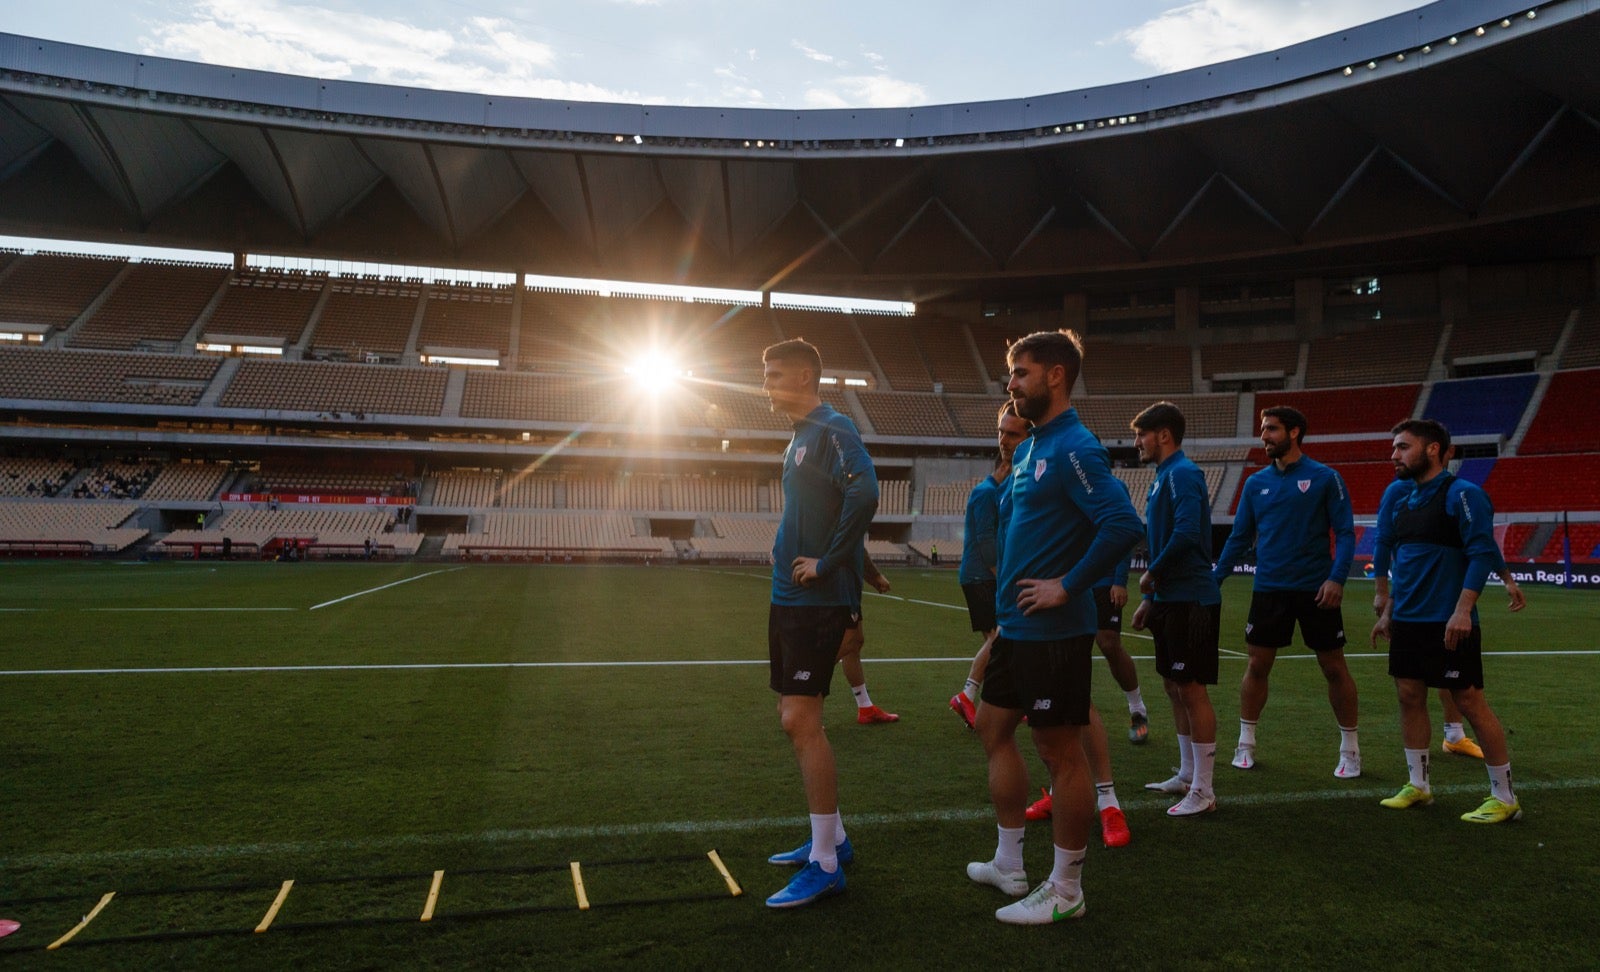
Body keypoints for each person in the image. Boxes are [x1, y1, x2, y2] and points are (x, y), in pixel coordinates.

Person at [966, 329, 1143, 925]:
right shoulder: (1035, 445)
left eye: (1020, 372)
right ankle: (1010, 862)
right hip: (1017, 628)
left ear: (1055, 376)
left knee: (1059, 752)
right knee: (992, 729)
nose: (1011, 384)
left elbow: (1122, 524)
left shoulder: (1073, 446)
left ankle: (1066, 889)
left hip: (1054, 630)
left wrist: (1068, 585)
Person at [759, 338, 880, 907]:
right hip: (789, 596)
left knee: (799, 719)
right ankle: (832, 838)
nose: (766, 385)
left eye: (776, 374)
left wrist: (829, 562)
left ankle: (826, 863)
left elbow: (866, 493)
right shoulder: (801, 435)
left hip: (815, 600)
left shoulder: (834, 428)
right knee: (795, 717)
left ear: (807, 376)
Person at [1370, 419, 1523, 823]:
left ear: (1433, 449)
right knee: (1408, 695)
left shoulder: (1464, 495)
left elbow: (1480, 552)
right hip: (1408, 619)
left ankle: (1505, 797)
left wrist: (1462, 609)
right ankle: (1418, 786)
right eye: (1394, 447)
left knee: (1469, 700)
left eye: (1403, 447)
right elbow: (1406, 564)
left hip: (1448, 620)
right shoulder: (1404, 499)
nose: (1395, 455)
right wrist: (1388, 611)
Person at [1212, 406, 1361, 778]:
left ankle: (1351, 750)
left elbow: (1344, 533)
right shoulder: (1254, 483)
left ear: (1294, 433)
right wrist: (1214, 579)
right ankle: (1245, 743)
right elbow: (1240, 537)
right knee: (1257, 666)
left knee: (1333, 668)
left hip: (1316, 590)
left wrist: (1337, 578)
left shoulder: (1326, 478)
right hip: (1269, 589)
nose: (1264, 436)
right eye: (1264, 430)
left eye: (1272, 429)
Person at [1130, 401, 1222, 817]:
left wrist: (1153, 574)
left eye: (1141, 435)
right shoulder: (1162, 477)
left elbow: (1186, 533)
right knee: (1172, 684)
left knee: (1191, 687)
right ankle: (1187, 774)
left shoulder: (1183, 474)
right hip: (1169, 599)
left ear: (1163, 434)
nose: (1137, 443)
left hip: (1192, 597)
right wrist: (1151, 599)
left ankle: (1204, 789)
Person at [949, 405, 1028, 729]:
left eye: (1011, 434)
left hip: (984, 575)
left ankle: (995, 700)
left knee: (998, 642)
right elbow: (984, 542)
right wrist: (1003, 577)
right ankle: (967, 696)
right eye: (1001, 433)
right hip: (982, 576)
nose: (1003, 440)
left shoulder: (995, 491)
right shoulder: (985, 494)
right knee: (998, 639)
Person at [837, 551, 899, 724]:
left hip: (846, 578)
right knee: (845, 641)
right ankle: (802, 696)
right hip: (840, 581)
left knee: (854, 642)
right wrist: (874, 575)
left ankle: (865, 706)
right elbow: (851, 540)